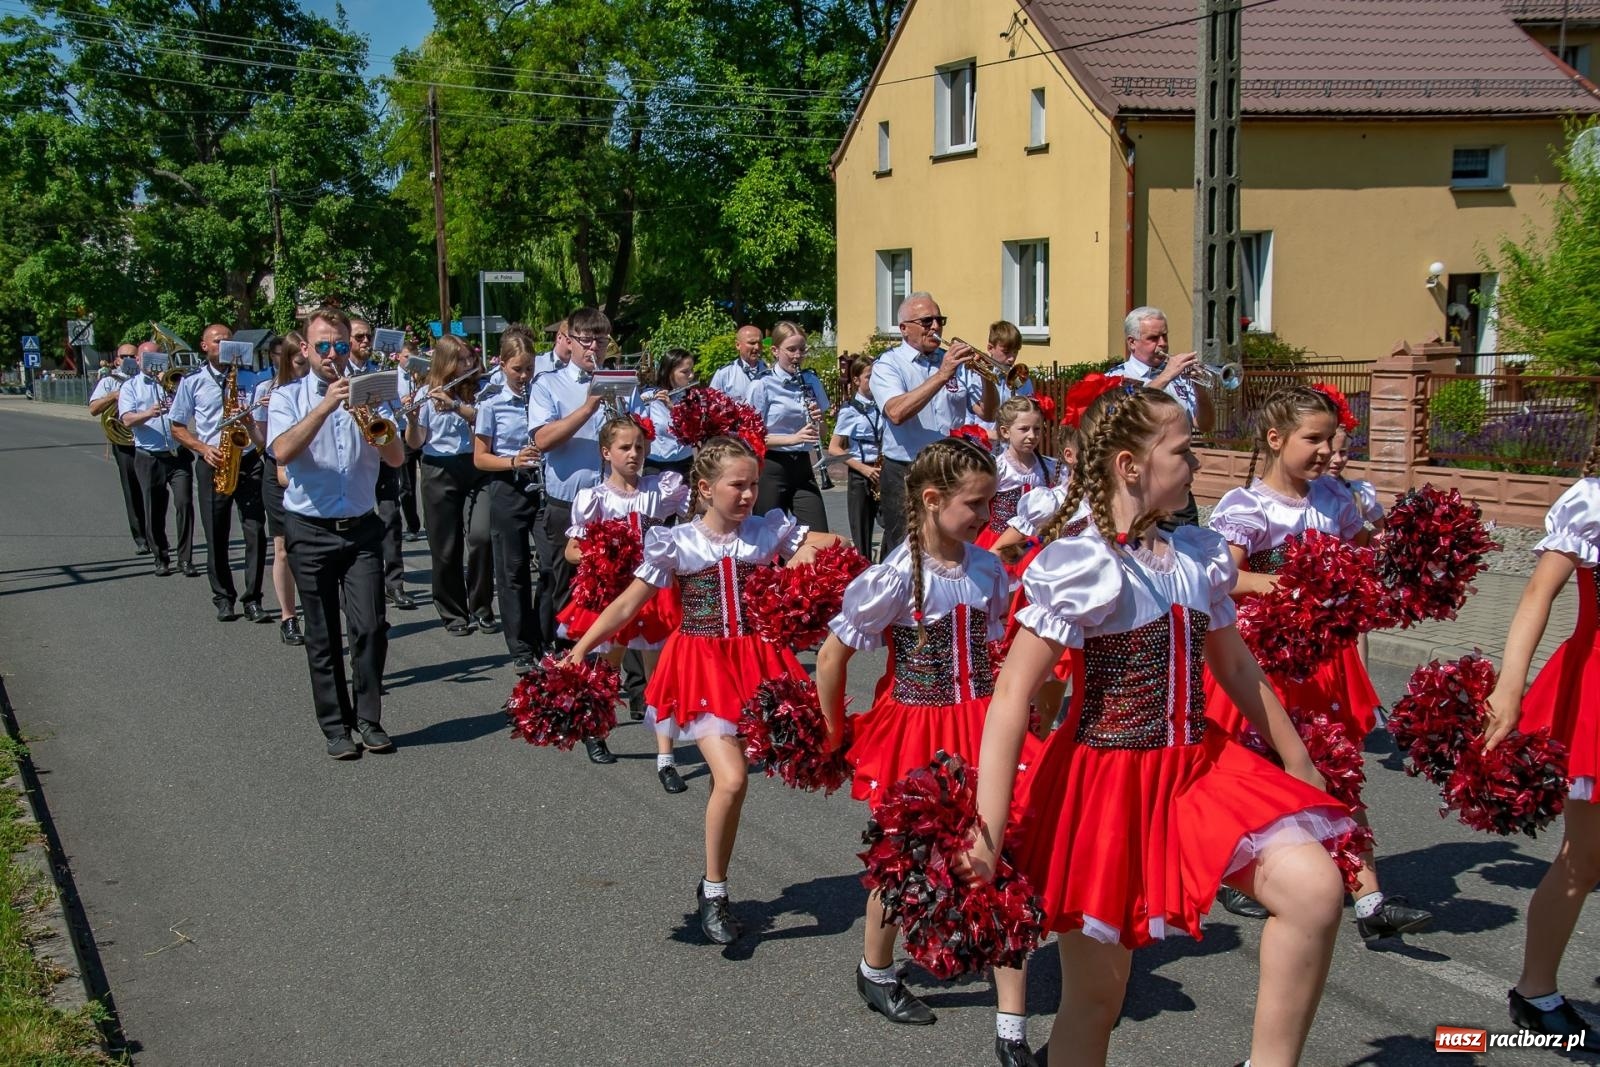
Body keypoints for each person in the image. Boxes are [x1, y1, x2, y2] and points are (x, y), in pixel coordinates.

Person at [967, 384, 1351, 1067]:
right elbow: (1010, 697)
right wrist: (987, 832)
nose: (1197, 461)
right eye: (1184, 449)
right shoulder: (1082, 561)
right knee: (1097, 999)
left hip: (1199, 766)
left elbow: (1235, 666)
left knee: (1316, 889)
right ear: (1130, 464)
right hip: (1105, 783)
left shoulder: (1195, 554)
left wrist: (1298, 760)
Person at [564, 437, 837, 945]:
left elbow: (825, 547)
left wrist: (862, 562)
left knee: (729, 785)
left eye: (755, 484)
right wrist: (582, 649)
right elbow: (628, 604)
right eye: (738, 485)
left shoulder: (765, 533)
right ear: (706, 488)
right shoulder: (679, 541)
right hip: (702, 667)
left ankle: (716, 879)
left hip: (757, 663)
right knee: (732, 779)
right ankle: (713, 891)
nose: (750, 494)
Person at [815, 437, 1035, 1066]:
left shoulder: (989, 568)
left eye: (994, 502)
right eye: (976, 504)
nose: (988, 517)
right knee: (909, 860)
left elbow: (999, 651)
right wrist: (835, 732)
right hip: (916, 733)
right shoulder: (892, 577)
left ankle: (1012, 1024)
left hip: (983, 723)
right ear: (933, 501)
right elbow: (832, 658)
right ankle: (877, 969)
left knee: (1005, 854)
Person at [1204, 385, 1432, 938]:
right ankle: (1243, 872)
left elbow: (1361, 559)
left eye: (1332, 437)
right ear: (1276, 438)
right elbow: (1223, 577)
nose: (1328, 449)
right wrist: (1287, 585)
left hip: (1325, 661)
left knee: (1340, 764)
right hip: (1262, 661)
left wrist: (1395, 552)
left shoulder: (1335, 498)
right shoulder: (1247, 506)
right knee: (1264, 767)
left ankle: (1370, 898)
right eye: (1314, 438)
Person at [1484, 465, 1600, 1046]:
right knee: (1585, 858)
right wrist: (1509, 688)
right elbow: (1538, 592)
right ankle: (1535, 992)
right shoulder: (1592, 502)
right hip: (1597, 688)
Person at [267, 308, 407, 759]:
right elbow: (283, 451)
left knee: (370, 627)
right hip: (309, 527)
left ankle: (368, 717)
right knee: (323, 634)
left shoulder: (371, 394)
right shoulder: (287, 396)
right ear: (305, 350)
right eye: (323, 346)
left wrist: (372, 419)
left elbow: (397, 459)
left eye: (341, 346)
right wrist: (326, 404)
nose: (333, 354)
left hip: (362, 527)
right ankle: (335, 726)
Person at [557, 415, 690, 783]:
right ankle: (596, 729)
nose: (634, 454)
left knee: (660, 673)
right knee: (608, 666)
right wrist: (601, 554)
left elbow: (685, 520)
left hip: (654, 591)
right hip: (615, 593)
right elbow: (571, 550)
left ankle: (666, 758)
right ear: (606, 452)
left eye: (639, 448)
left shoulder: (659, 489)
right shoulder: (594, 497)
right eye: (625, 448)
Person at [870, 292, 996, 561]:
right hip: (906, 470)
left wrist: (989, 377)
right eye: (927, 321)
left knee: (949, 542)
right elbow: (896, 412)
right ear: (904, 329)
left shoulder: (949, 361)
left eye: (940, 320)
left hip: (950, 469)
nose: (936, 327)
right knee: (905, 545)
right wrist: (942, 375)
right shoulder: (889, 364)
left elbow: (987, 412)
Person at [170, 323, 270, 624]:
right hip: (215, 459)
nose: (224, 345)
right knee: (216, 532)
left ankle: (253, 598)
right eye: (217, 341)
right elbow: (177, 426)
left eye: (228, 340)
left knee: (255, 532)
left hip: (248, 458)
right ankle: (223, 597)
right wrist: (202, 447)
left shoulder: (251, 378)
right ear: (204, 346)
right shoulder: (192, 382)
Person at [530, 306, 610, 652]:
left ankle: (606, 663)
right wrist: (589, 408)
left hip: (612, 500)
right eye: (587, 340)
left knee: (611, 586)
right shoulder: (548, 383)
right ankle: (567, 662)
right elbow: (543, 439)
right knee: (566, 586)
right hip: (569, 502)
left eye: (601, 340)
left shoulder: (621, 381)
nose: (594, 348)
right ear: (571, 341)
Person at [406, 334, 496, 637]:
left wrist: (457, 405)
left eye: (470, 358)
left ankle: (482, 606)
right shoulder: (426, 392)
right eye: (461, 360)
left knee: (482, 537)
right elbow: (416, 442)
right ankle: (453, 611)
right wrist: (413, 418)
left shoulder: (481, 391)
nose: (469, 364)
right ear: (446, 362)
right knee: (445, 547)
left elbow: (487, 421)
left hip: (476, 465)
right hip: (438, 469)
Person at [474, 332, 544, 672]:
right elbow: (480, 458)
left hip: (542, 484)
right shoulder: (491, 402)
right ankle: (519, 645)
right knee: (513, 569)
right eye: (517, 369)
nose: (524, 376)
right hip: (508, 484)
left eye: (529, 368)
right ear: (502, 365)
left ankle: (542, 633)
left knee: (551, 563)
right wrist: (513, 461)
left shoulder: (542, 396)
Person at [1116, 307, 1214, 529]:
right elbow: (1126, 413)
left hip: (1177, 483)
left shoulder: (1181, 379)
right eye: (1153, 338)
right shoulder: (1117, 377)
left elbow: (1206, 425)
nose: (1162, 344)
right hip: (1139, 485)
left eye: (1164, 336)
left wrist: (1199, 388)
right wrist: (1167, 374)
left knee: (1189, 550)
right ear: (1132, 342)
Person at [351, 317, 417, 611]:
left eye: (368, 337)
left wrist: (402, 406)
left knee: (391, 518)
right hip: (357, 457)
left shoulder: (381, 373)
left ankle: (395, 584)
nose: (365, 342)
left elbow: (394, 413)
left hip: (384, 451)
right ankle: (365, 581)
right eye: (359, 338)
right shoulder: (342, 376)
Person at [119, 342, 197, 578]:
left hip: (176, 454)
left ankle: (185, 559)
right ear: (139, 360)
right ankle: (160, 557)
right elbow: (127, 419)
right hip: (148, 456)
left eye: (159, 356)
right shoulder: (130, 387)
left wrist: (174, 392)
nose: (154, 360)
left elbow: (191, 411)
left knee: (184, 503)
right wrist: (149, 413)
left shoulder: (172, 383)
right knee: (154, 508)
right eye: (149, 356)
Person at [750, 321, 831, 533]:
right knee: (767, 538)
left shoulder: (811, 381)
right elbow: (751, 436)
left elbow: (822, 434)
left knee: (817, 533)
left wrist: (818, 419)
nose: (797, 356)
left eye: (802, 350)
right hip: (772, 465)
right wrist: (793, 438)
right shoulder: (762, 384)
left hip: (802, 466)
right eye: (791, 350)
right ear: (775, 351)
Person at [253, 333, 307, 646]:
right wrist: (249, 423)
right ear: (286, 361)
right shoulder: (267, 390)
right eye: (299, 363)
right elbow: (265, 444)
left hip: (309, 471)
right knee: (283, 546)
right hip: (278, 470)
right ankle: (289, 615)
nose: (304, 368)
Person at [88, 344, 150, 555]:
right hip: (123, 442)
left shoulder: (148, 378)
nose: (129, 359)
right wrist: (113, 396)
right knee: (132, 490)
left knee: (152, 490)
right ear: (117, 360)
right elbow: (94, 410)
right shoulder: (109, 381)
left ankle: (156, 535)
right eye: (125, 356)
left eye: (134, 356)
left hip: (148, 440)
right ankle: (141, 537)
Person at [975, 397, 1056, 552]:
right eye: (1024, 429)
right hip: (999, 542)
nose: (1032, 435)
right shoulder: (998, 468)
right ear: (1005, 431)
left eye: (1037, 429)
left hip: (1036, 545)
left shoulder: (1049, 468)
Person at [828, 355, 882, 558]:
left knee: (894, 524)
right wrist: (864, 469)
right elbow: (834, 448)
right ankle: (864, 573)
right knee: (862, 530)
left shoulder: (883, 404)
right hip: (862, 471)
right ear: (857, 380)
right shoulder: (850, 410)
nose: (874, 381)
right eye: (869, 377)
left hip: (882, 468)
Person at [632, 348, 696, 477]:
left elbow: (695, 429)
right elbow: (638, 427)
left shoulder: (693, 397)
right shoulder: (651, 396)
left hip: (685, 463)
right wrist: (640, 402)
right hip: (656, 465)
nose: (691, 376)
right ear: (669, 373)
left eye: (691, 370)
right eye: (685, 372)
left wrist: (673, 408)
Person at [707, 325, 769, 403]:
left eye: (759, 343)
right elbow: (711, 404)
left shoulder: (770, 372)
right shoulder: (724, 374)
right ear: (738, 345)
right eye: (752, 343)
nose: (757, 347)